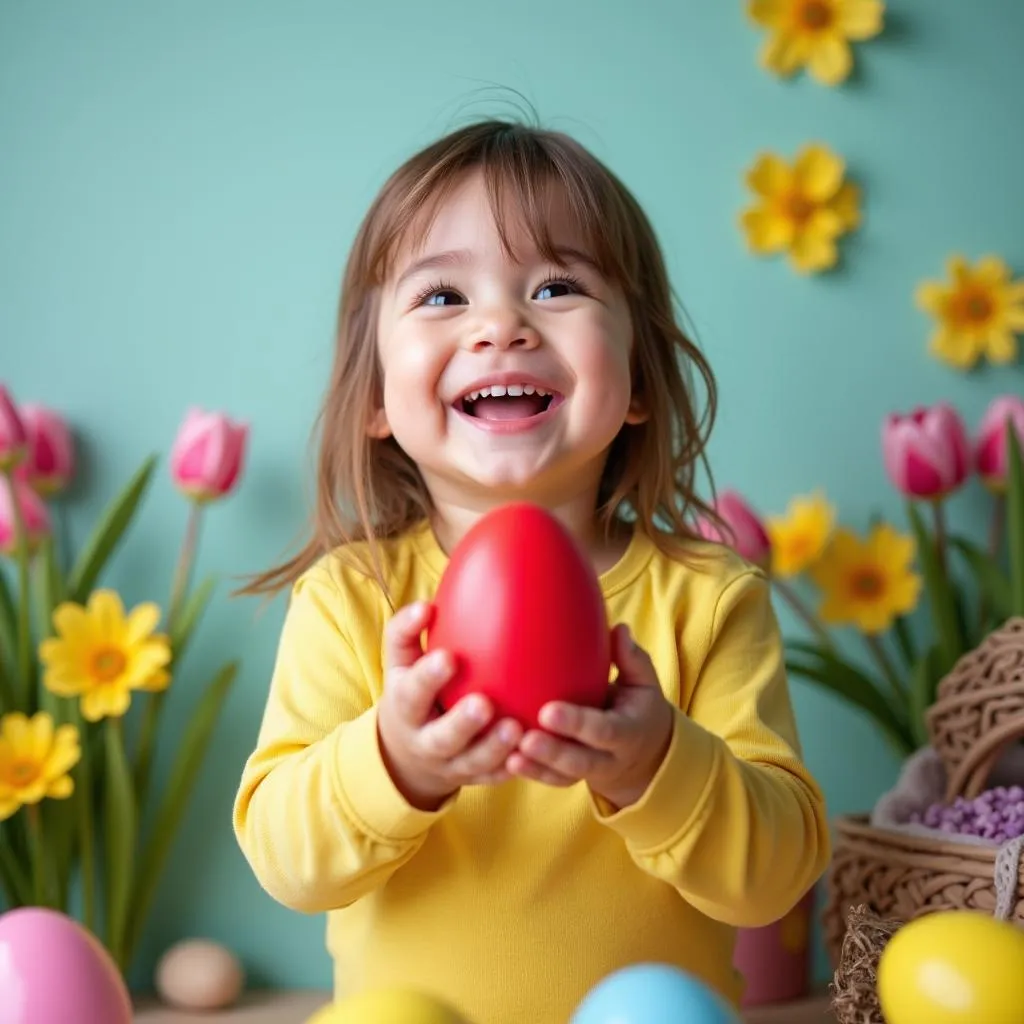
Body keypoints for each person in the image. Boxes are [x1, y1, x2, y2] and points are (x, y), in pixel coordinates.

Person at [232, 118, 831, 1024]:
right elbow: (287, 862)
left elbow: (776, 878)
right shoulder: (355, 603)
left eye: (557, 286)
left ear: (636, 382)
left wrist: (658, 763)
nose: (500, 324)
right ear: (373, 400)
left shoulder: (710, 600)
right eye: (441, 297)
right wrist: (393, 761)